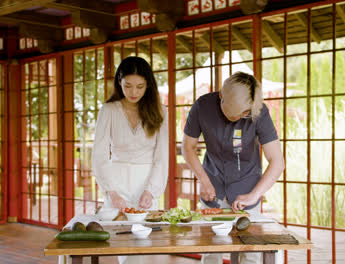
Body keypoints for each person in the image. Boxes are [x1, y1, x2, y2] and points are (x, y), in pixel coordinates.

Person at [182, 72, 285, 264]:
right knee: (211, 249)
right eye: (231, 114)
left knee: (248, 252)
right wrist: (203, 180)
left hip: (247, 187)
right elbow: (188, 147)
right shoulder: (202, 106)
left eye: (242, 114)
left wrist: (254, 195)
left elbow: (277, 162)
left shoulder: (259, 112)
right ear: (221, 95)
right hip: (212, 186)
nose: (236, 118)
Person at [91, 56, 168, 264]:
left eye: (140, 87)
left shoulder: (160, 112)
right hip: (116, 184)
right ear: (119, 82)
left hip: (147, 183)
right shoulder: (108, 110)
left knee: (148, 246)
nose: (134, 92)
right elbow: (99, 155)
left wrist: (151, 190)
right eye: (128, 86)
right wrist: (111, 191)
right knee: (122, 244)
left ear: (148, 86)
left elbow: (161, 156)